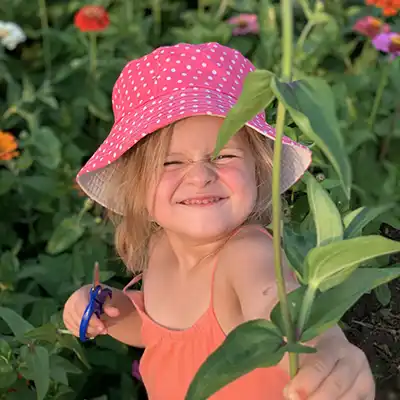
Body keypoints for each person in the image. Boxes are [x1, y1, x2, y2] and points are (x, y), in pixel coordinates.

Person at [63, 42, 375, 400]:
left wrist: (328, 352)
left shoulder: (247, 254)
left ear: (258, 173)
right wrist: (109, 308)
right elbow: (163, 337)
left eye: (224, 154)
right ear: (137, 191)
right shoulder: (161, 246)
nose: (200, 176)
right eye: (170, 162)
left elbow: (280, 306)